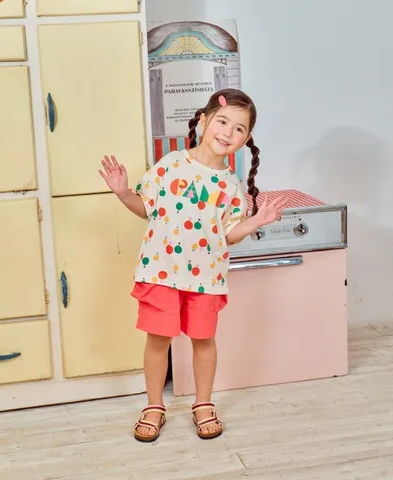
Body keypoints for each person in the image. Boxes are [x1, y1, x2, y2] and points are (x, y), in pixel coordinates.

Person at [99, 88, 287, 442]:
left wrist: (256, 222)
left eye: (239, 129)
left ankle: (203, 403)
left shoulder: (230, 185)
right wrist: (124, 193)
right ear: (203, 121)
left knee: (204, 340)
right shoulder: (171, 164)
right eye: (222, 122)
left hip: (206, 277)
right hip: (161, 271)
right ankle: (154, 406)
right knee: (158, 339)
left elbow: (229, 234)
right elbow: (146, 207)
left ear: (245, 139)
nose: (228, 133)